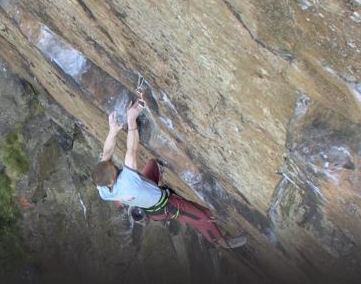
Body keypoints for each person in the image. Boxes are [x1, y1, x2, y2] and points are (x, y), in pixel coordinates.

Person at [91, 96, 246, 249]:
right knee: (203, 216)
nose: (116, 167)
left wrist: (112, 132)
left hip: (141, 193)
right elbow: (131, 150)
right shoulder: (127, 182)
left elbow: (106, 154)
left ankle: (138, 198)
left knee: (153, 164)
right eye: (115, 170)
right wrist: (131, 119)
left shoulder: (103, 189)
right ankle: (222, 242)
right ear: (112, 181)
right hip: (164, 206)